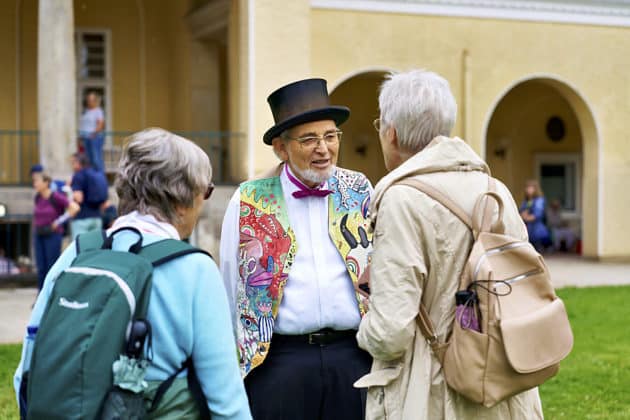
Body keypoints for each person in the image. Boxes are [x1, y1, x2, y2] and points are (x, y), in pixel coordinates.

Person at [15, 128, 252, 419]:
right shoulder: (197, 270)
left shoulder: (77, 253)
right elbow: (226, 401)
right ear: (181, 200)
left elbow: (26, 371)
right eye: (205, 191)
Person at [354, 70, 543, 419]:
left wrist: (363, 331)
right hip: (502, 379)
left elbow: (391, 333)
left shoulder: (401, 199)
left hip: (433, 391)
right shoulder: (494, 188)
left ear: (390, 133)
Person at [220, 78, 373, 420]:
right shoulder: (250, 198)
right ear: (281, 147)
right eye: (309, 139)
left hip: (352, 357)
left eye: (331, 136)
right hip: (278, 364)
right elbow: (230, 284)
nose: (324, 148)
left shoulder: (359, 188)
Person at [31, 171, 79, 290]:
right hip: (39, 233)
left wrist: (58, 222)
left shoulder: (55, 196)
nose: (35, 184)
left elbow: (74, 208)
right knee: (41, 267)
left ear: (46, 182)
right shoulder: (37, 197)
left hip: (52, 234)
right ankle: (40, 295)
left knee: (51, 265)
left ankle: (52, 292)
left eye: (37, 181)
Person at [70, 152, 106, 239]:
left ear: (78, 163)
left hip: (82, 219)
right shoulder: (97, 174)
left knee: (81, 249)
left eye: (72, 163)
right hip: (97, 218)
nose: (72, 166)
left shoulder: (78, 175)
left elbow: (79, 198)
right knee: (96, 249)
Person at [520, 179, 551, 252]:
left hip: (537, 230)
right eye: (527, 187)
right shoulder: (526, 201)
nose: (528, 190)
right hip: (527, 229)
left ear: (536, 189)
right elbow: (521, 212)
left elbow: (537, 214)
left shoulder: (539, 200)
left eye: (531, 187)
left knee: (537, 249)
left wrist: (526, 217)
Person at [78, 91, 106, 172]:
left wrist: (93, 133)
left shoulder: (98, 111)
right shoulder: (86, 111)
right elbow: (84, 125)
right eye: (88, 99)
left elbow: (100, 124)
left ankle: (100, 177)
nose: (89, 101)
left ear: (95, 100)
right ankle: (92, 177)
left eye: (91, 99)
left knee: (96, 158)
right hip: (85, 137)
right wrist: (80, 137)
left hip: (95, 137)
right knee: (88, 159)